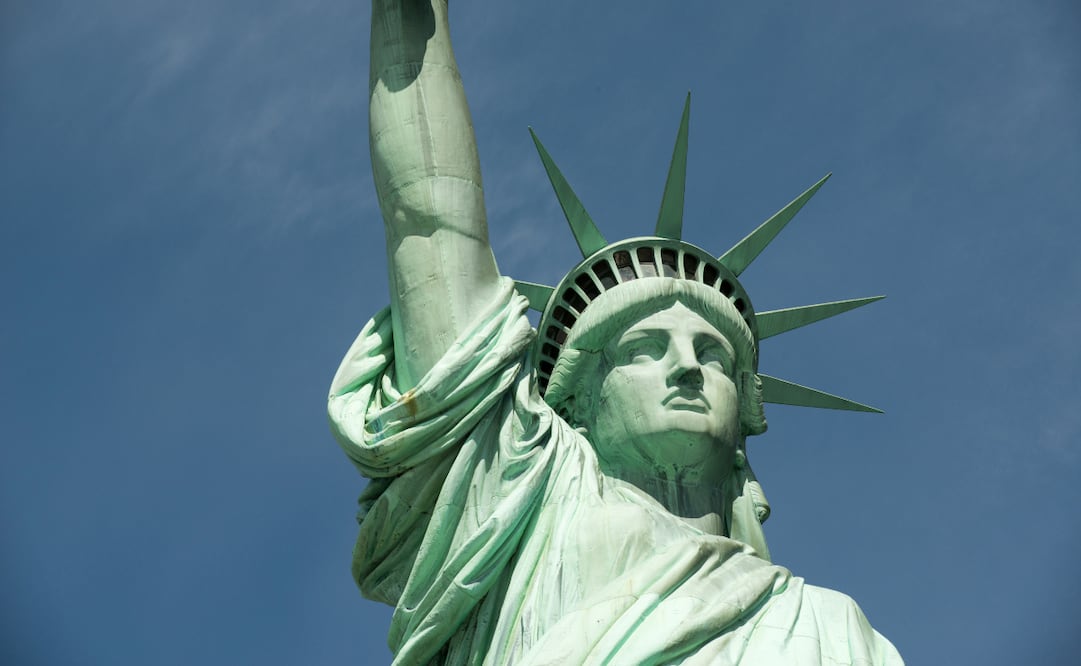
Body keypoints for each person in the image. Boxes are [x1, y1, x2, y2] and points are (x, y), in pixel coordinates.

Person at [328, 1, 903, 663]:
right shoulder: (521, 497)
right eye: (643, 349)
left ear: (747, 405)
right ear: (574, 399)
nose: (686, 367)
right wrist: (408, 23)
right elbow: (428, 216)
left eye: (712, 355)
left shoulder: (830, 626)